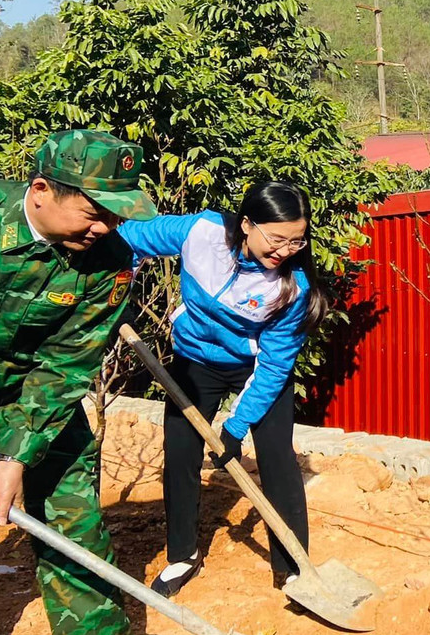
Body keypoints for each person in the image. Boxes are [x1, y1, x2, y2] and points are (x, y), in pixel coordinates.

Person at [0, 129, 165, 635]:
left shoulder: (111, 263)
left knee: (74, 522)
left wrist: (12, 458)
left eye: (115, 213)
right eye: (93, 210)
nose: (103, 226)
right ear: (43, 190)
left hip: (33, 397)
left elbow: (65, 363)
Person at [119, 181, 327, 597]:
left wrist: (236, 426)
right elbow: (130, 237)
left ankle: (292, 566)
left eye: (297, 241)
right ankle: (182, 555)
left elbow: (273, 365)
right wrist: (121, 282)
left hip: (255, 367)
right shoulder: (202, 233)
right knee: (180, 454)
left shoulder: (293, 288)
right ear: (247, 224)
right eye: (277, 238)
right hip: (196, 362)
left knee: (277, 459)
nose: (286, 250)